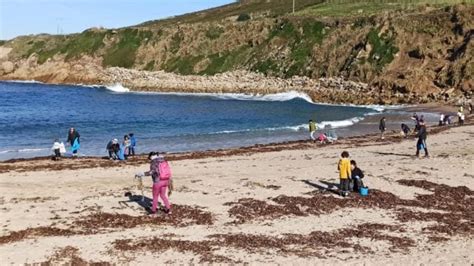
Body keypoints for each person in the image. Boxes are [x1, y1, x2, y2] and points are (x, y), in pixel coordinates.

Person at [144, 152, 172, 216]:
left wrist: (143, 174)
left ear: (151, 157)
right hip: (166, 180)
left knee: (155, 197)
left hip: (158, 182)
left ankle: (153, 211)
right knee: (163, 195)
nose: (150, 159)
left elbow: (152, 172)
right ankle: (168, 209)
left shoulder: (153, 162)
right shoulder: (163, 160)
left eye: (149, 158)